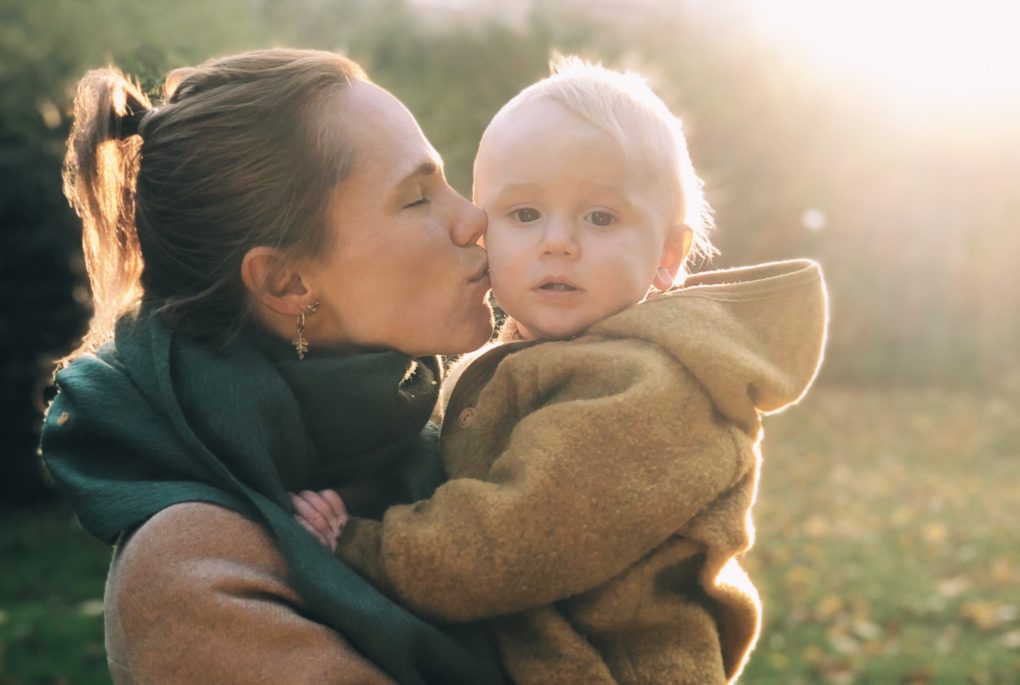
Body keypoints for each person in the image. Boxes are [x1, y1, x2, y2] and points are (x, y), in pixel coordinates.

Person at [294, 58, 829, 684]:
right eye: (524, 214)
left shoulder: (647, 388)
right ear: (483, 231)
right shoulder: (522, 356)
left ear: (667, 255)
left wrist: (360, 544)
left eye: (600, 217)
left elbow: (512, 542)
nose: (558, 242)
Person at [40, 49, 509, 685]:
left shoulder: (451, 433)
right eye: (417, 198)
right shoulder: (190, 574)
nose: (475, 219)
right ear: (286, 281)